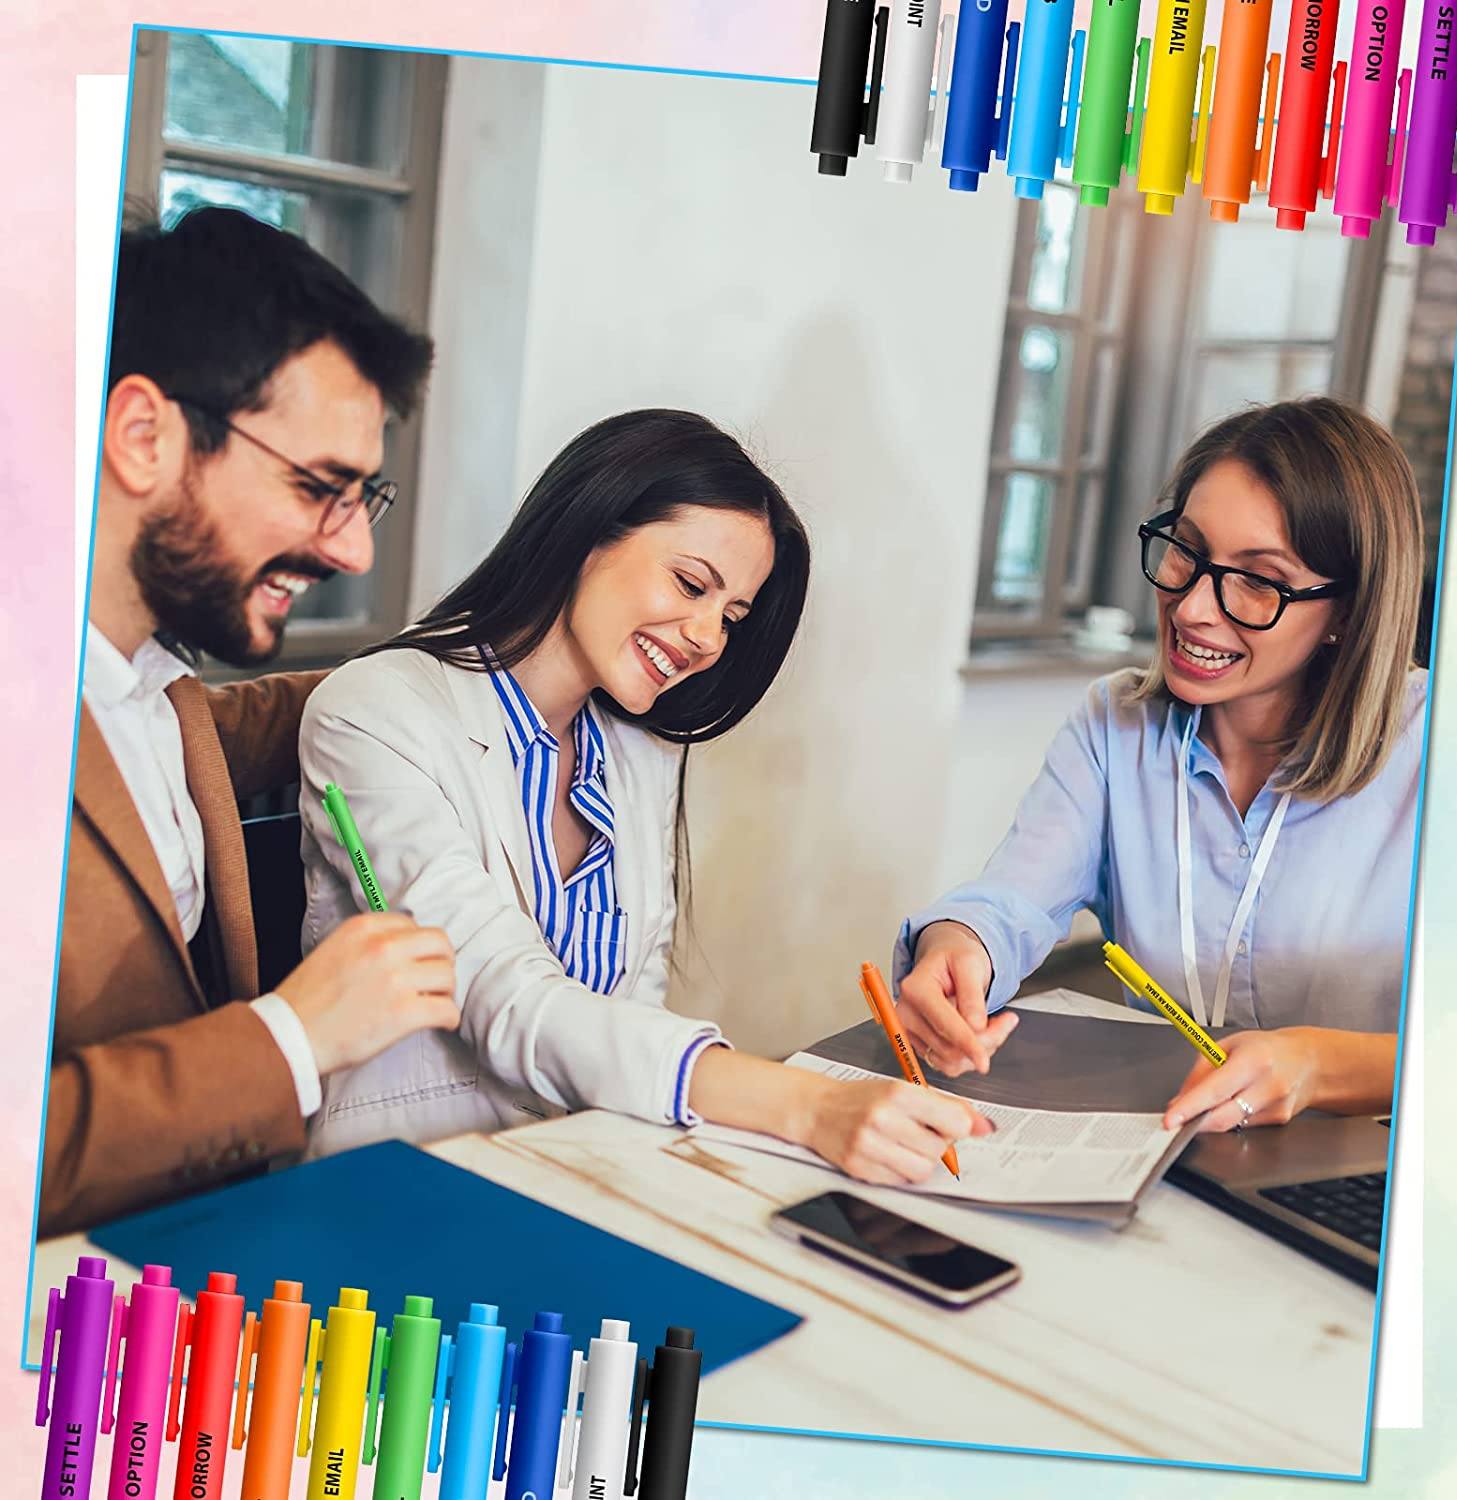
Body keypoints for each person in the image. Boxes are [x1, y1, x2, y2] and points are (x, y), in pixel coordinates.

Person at [299, 408, 991, 1184]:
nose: (707, 638)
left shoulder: (638, 749)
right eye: (691, 584)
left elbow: (637, 1003)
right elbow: (503, 996)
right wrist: (805, 1104)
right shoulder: (375, 711)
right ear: (586, 531)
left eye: (731, 615)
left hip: (590, 1170)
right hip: (410, 1181)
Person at [42, 207, 460, 1235]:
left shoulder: (152, 688)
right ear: (145, 436)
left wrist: (476, 661)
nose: (353, 551)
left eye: (366, 497)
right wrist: (293, 1037)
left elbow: (243, 726)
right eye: (319, 487)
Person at [893, 397, 1425, 1134]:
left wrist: (1315, 1066)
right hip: (1176, 1141)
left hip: (1372, 1180)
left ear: (1346, 612)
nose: (1194, 607)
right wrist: (957, 949)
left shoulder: (1450, 757)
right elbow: (1010, 900)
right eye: (1187, 550)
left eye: (1257, 580)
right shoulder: (1115, 727)